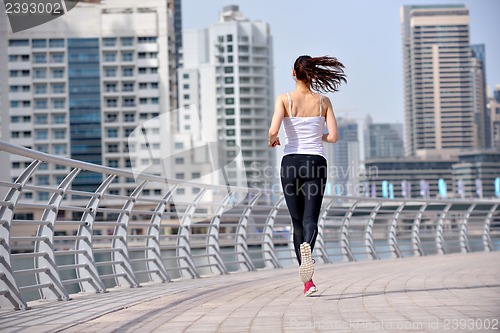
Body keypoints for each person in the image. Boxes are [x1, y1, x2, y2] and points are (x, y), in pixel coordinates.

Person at [268, 55, 346, 296]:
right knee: (311, 218)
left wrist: (274, 139)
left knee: (297, 222)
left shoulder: (285, 99)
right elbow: (333, 137)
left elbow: (273, 130)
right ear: (312, 74)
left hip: (290, 163)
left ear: (294, 73)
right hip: (315, 163)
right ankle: (308, 255)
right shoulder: (324, 102)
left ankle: (307, 281)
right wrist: (317, 136)